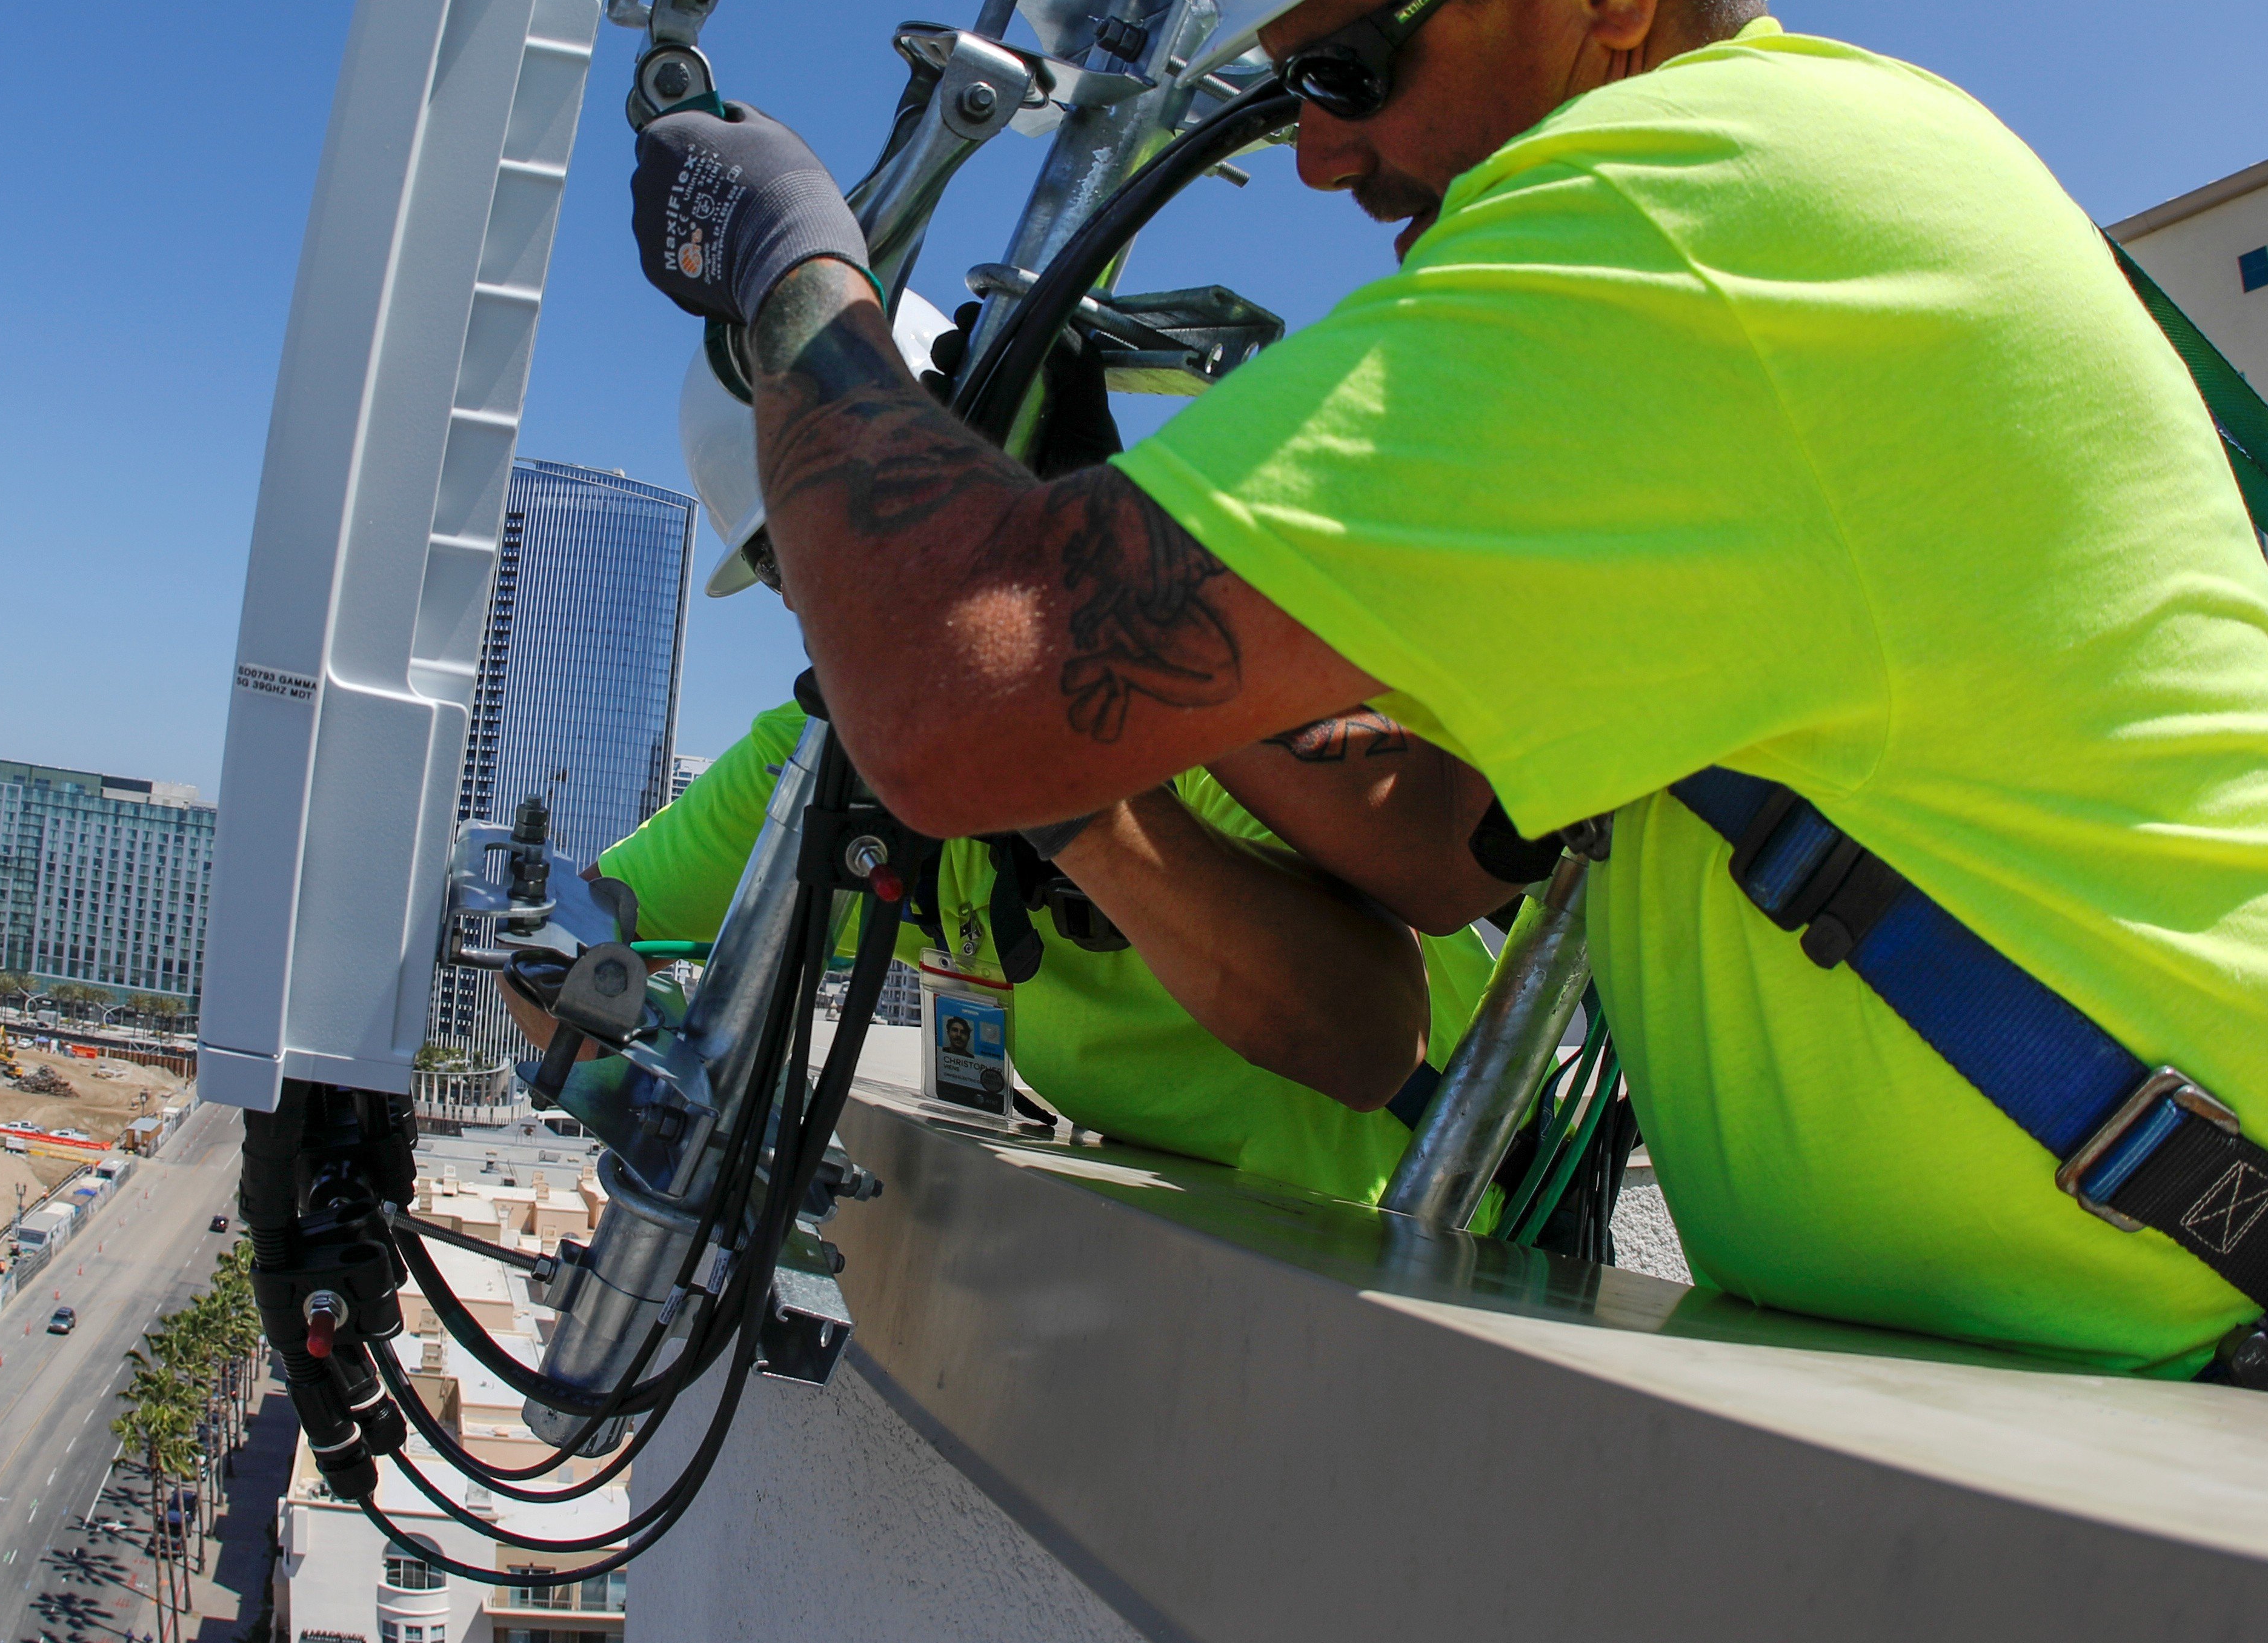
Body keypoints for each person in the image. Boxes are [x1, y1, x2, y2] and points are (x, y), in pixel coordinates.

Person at [618, 0, 2268, 1399]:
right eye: (1285, 94)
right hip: (2209, 1314)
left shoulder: (1672, 222)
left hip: (2182, 1357)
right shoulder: (1795, 183)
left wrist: (796, 274)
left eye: (1339, 69)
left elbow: (953, 695)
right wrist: (1176, 668)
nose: (1324, 156)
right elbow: (1439, 836)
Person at [514, 330, 1529, 1219]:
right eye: (790, 560)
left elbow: (1363, 1042)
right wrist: (665, 1112)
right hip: (1192, 1269)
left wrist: (1054, 776)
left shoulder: (1188, 699)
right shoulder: (824, 750)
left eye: (863, 522)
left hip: (1421, 1240)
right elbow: (562, 943)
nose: (826, 591)